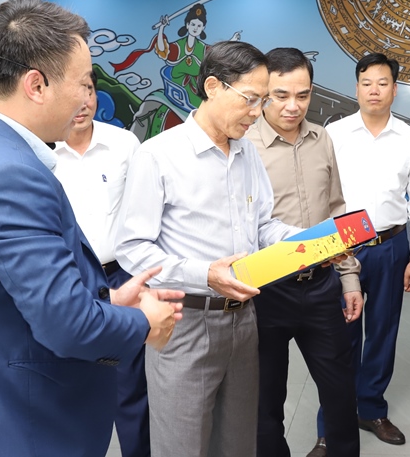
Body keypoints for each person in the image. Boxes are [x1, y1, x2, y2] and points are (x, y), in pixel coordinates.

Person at [0, 0, 182, 457]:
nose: (87, 99)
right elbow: (68, 326)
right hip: (21, 424)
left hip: (2, 410)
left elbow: (18, 297)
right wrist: (144, 322)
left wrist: (106, 301)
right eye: (83, 83)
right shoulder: (9, 176)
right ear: (37, 85)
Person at [115, 40, 304, 457]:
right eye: (250, 99)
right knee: (181, 446)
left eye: (263, 101)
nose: (257, 113)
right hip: (184, 322)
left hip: (243, 320)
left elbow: (263, 225)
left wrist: (309, 244)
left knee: (237, 443)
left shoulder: (247, 153)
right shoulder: (159, 155)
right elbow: (132, 247)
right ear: (213, 86)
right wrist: (204, 274)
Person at [244, 48, 362, 457]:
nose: (293, 106)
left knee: (341, 394)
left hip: (322, 287)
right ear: (264, 93)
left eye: (303, 95)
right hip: (265, 292)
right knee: (265, 403)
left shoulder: (321, 139)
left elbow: (336, 210)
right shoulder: (243, 146)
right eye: (281, 95)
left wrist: (349, 278)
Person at [325, 53, 410, 446]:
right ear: (356, 88)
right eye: (367, 82)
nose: (374, 90)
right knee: (341, 336)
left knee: (383, 332)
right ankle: (334, 420)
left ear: (395, 89)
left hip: (390, 246)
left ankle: (370, 409)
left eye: (382, 83)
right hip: (342, 248)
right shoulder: (333, 134)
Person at [52, 71, 150, 457]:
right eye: (74, 93)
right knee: (67, 380)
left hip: (119, 274)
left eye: (89, 91)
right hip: (66, 279)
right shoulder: (42, 150)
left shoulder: (124, 144)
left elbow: (144, 210)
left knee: (130, 385)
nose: (83, 103)